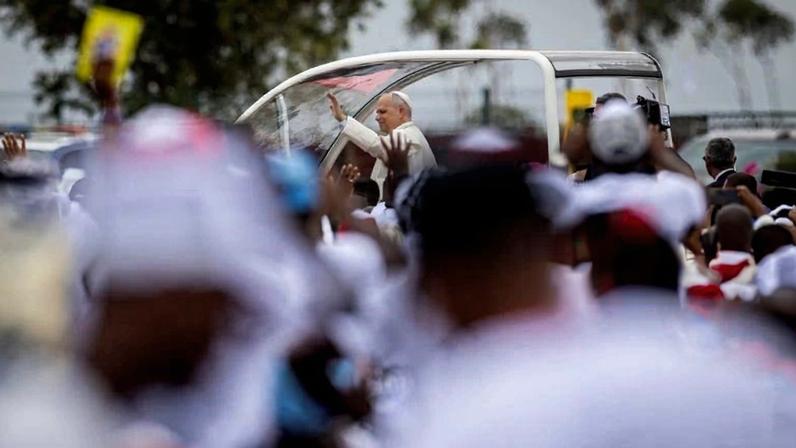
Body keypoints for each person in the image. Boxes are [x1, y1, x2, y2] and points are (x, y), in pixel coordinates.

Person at [327, 91, 436, 196]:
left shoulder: (408, 135)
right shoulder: (407, 134)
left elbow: (377, 145)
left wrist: (343, 119)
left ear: (401, 111)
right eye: (377, 112)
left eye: (382, 112)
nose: (377, 118)